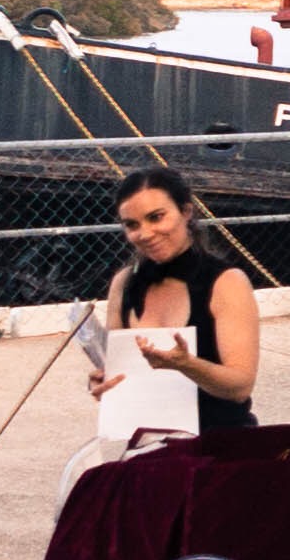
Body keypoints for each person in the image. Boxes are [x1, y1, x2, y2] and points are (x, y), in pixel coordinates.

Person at [102, 166, 263, 443]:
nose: (146, 233)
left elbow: (240, 386)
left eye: (156, 217)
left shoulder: (227, 283)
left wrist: (187, 365)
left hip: (220, 443)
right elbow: (120, 372)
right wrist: (105, 385)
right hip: (145, 443)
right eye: (132, 225)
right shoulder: (123, 283)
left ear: (186, 212)